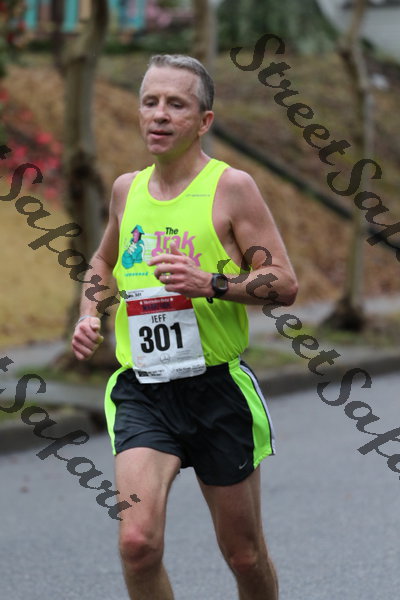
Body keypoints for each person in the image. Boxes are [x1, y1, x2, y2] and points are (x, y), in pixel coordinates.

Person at [72, 54, 298, 600]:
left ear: (204, 121)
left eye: (176, 104)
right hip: (143, 390)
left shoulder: (231, 187)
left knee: (244, 555)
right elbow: (101, 261)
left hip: (216, 390)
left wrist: (212, 284)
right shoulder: (126, 190)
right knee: (137, 543)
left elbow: (283, 282)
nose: (159, 114)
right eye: (150, 102)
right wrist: (89, 312)